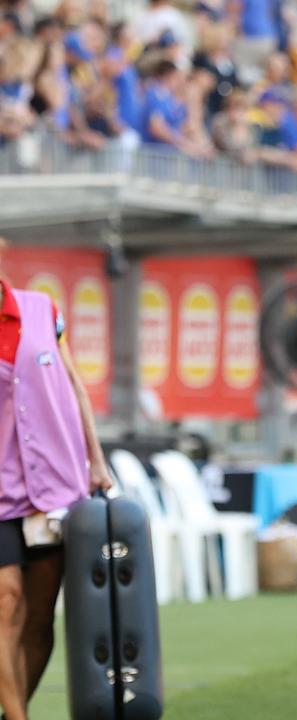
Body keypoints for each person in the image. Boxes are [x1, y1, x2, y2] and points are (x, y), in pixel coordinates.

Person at [0, 238, 112, 720]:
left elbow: (74, 386)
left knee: (41, 613)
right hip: (1, 491)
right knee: (6, 603)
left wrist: (97, 461)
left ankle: (13, 707)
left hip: (55, 486)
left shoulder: (43, 310)